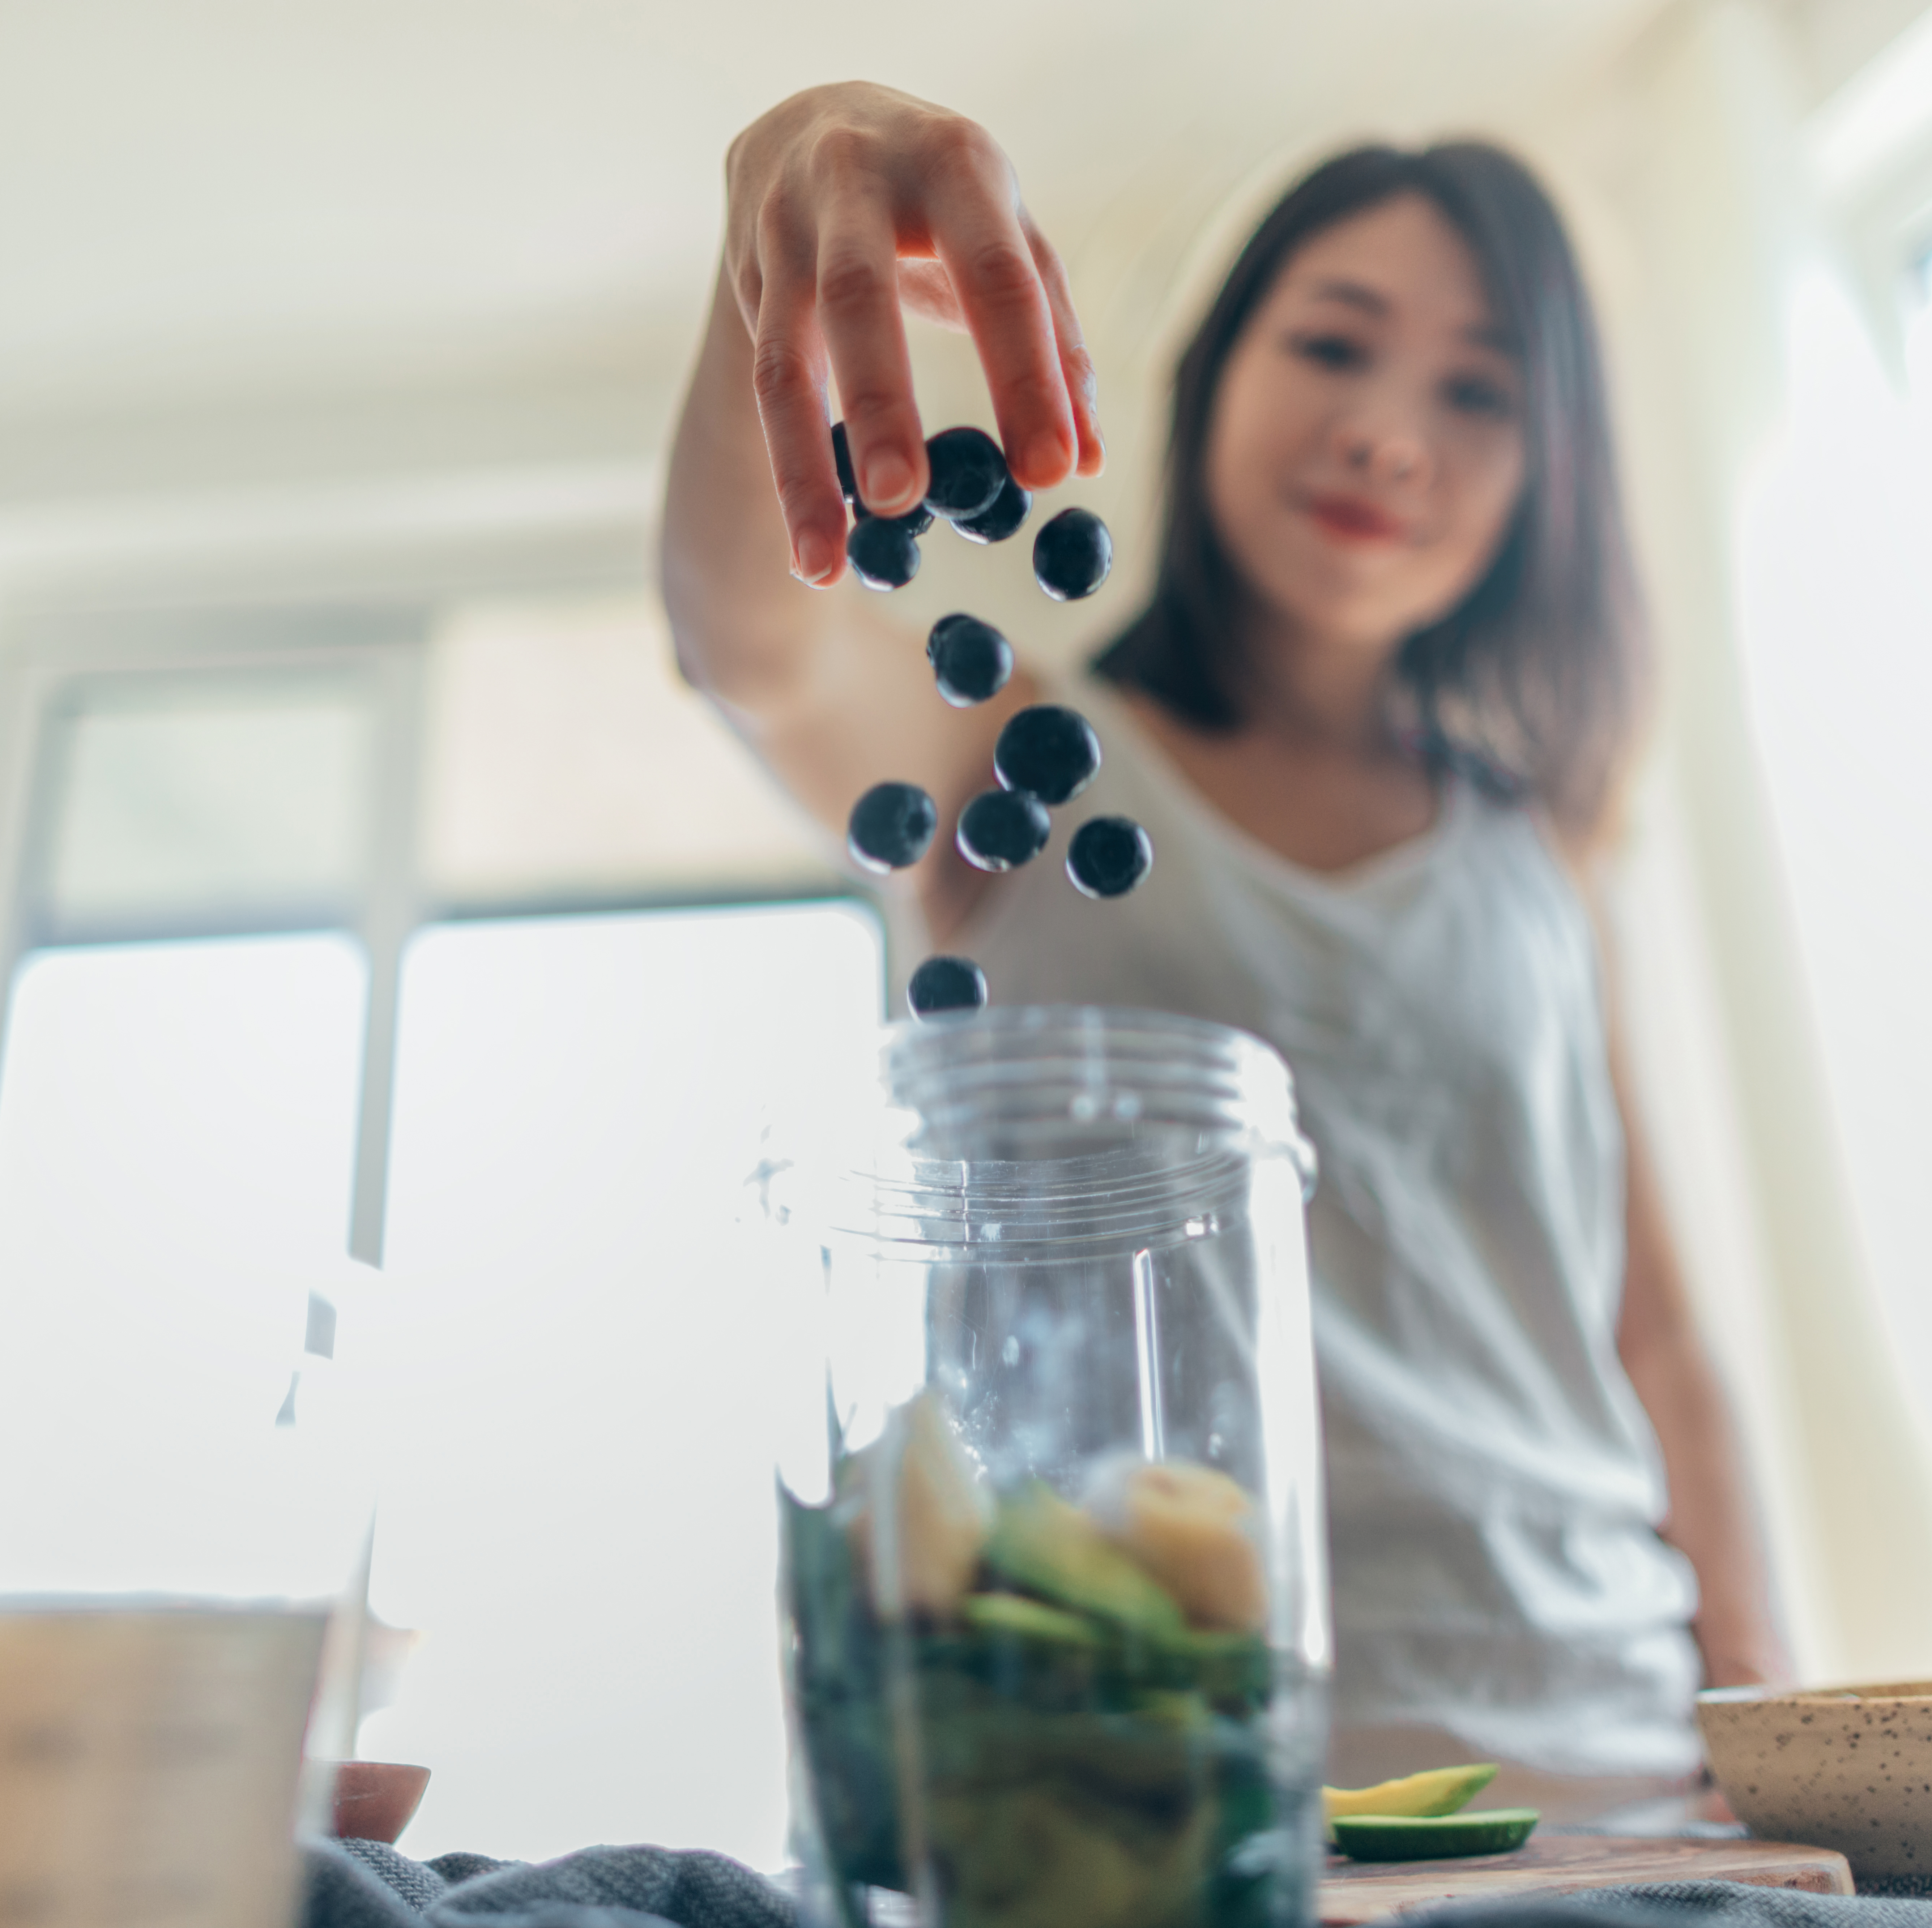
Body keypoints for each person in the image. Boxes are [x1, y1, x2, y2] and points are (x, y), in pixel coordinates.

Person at [661, 82, 1793, 1814]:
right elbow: (754, 643)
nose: (1389, 432)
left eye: (1476, 390)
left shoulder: (1546, 851)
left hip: (1608, 1758)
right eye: (1334, 345)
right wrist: (775, 257)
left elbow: (1659, 1338)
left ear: (1540, 469)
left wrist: (1778, 1752)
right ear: (1211, 375)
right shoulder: (1008, 762)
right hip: (1141, 1779)